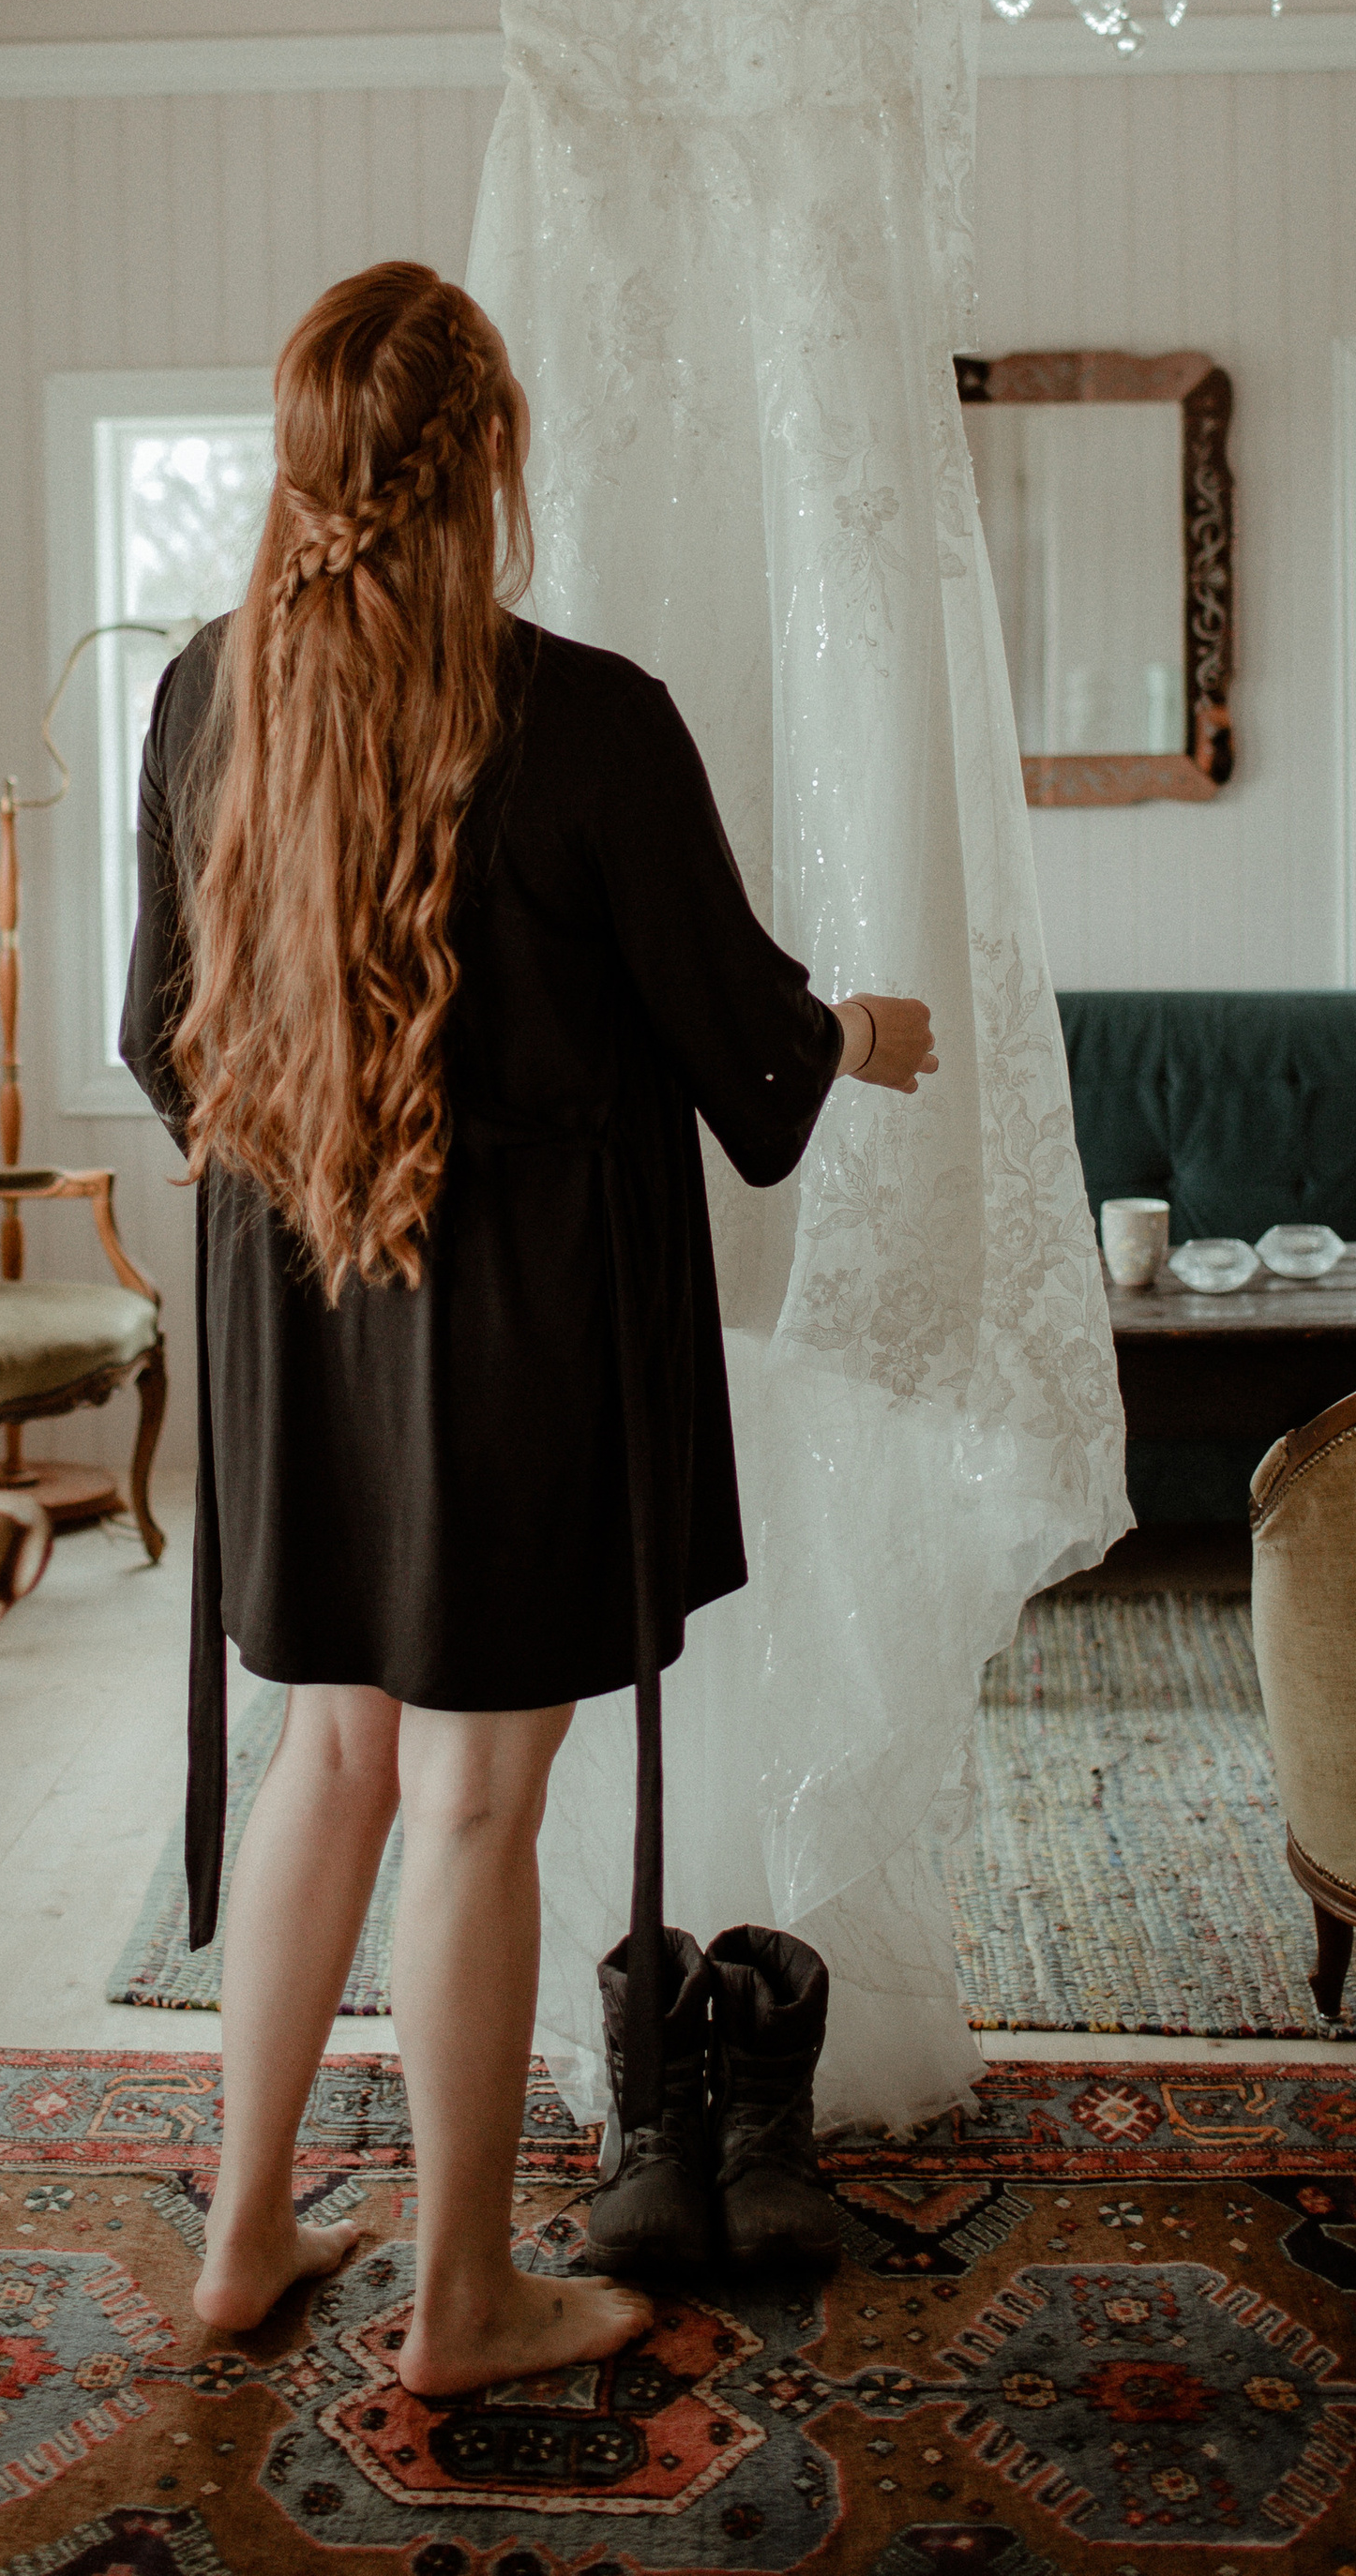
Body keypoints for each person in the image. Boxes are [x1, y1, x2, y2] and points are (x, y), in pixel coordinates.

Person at [121, 256, 933, 2397]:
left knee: (328, 1754)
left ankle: (242, 2231)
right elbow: (731, 1040)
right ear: (485, 457)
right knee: (473, 1805)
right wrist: (852, 1027)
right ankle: (459, 2301)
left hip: (300, 1314)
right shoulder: (582, 715)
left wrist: (324, 1157)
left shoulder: (204, 692)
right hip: (519, 1335)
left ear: (305, 463)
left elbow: (159, 1039)